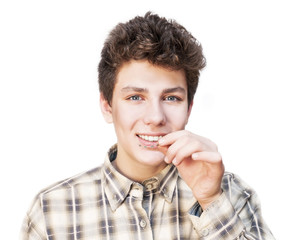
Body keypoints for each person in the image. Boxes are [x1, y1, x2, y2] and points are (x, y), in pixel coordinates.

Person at [20, 12, 275, 240]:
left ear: (188, 109)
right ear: (107, 106)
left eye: (171, 98)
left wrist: (211, 201)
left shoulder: (232, 194)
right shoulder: (51, 211)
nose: (155, 117)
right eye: (135, 98)